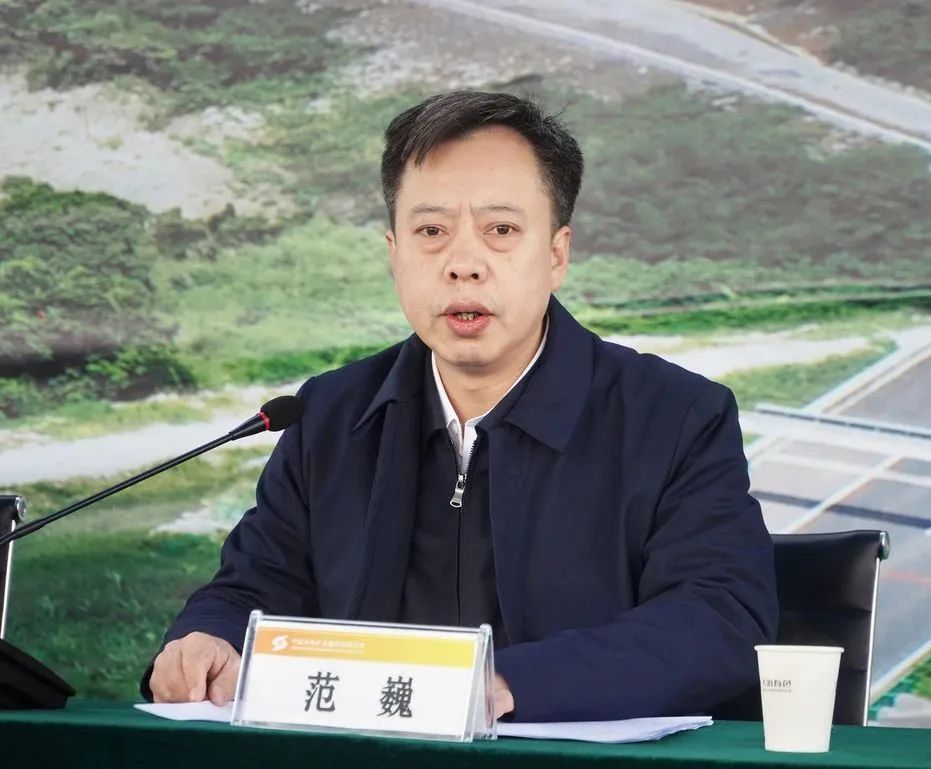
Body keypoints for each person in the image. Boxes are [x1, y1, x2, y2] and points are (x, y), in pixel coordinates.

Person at [144, 91, 778, 722]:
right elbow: (256, 584)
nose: (463, 265)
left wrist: (504, 685)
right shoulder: (329, 415)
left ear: (556, 254)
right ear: (394, 254)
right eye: (431, 232)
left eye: (501, 230)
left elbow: (719, 615)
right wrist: (210, 635)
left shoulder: (675, 417)